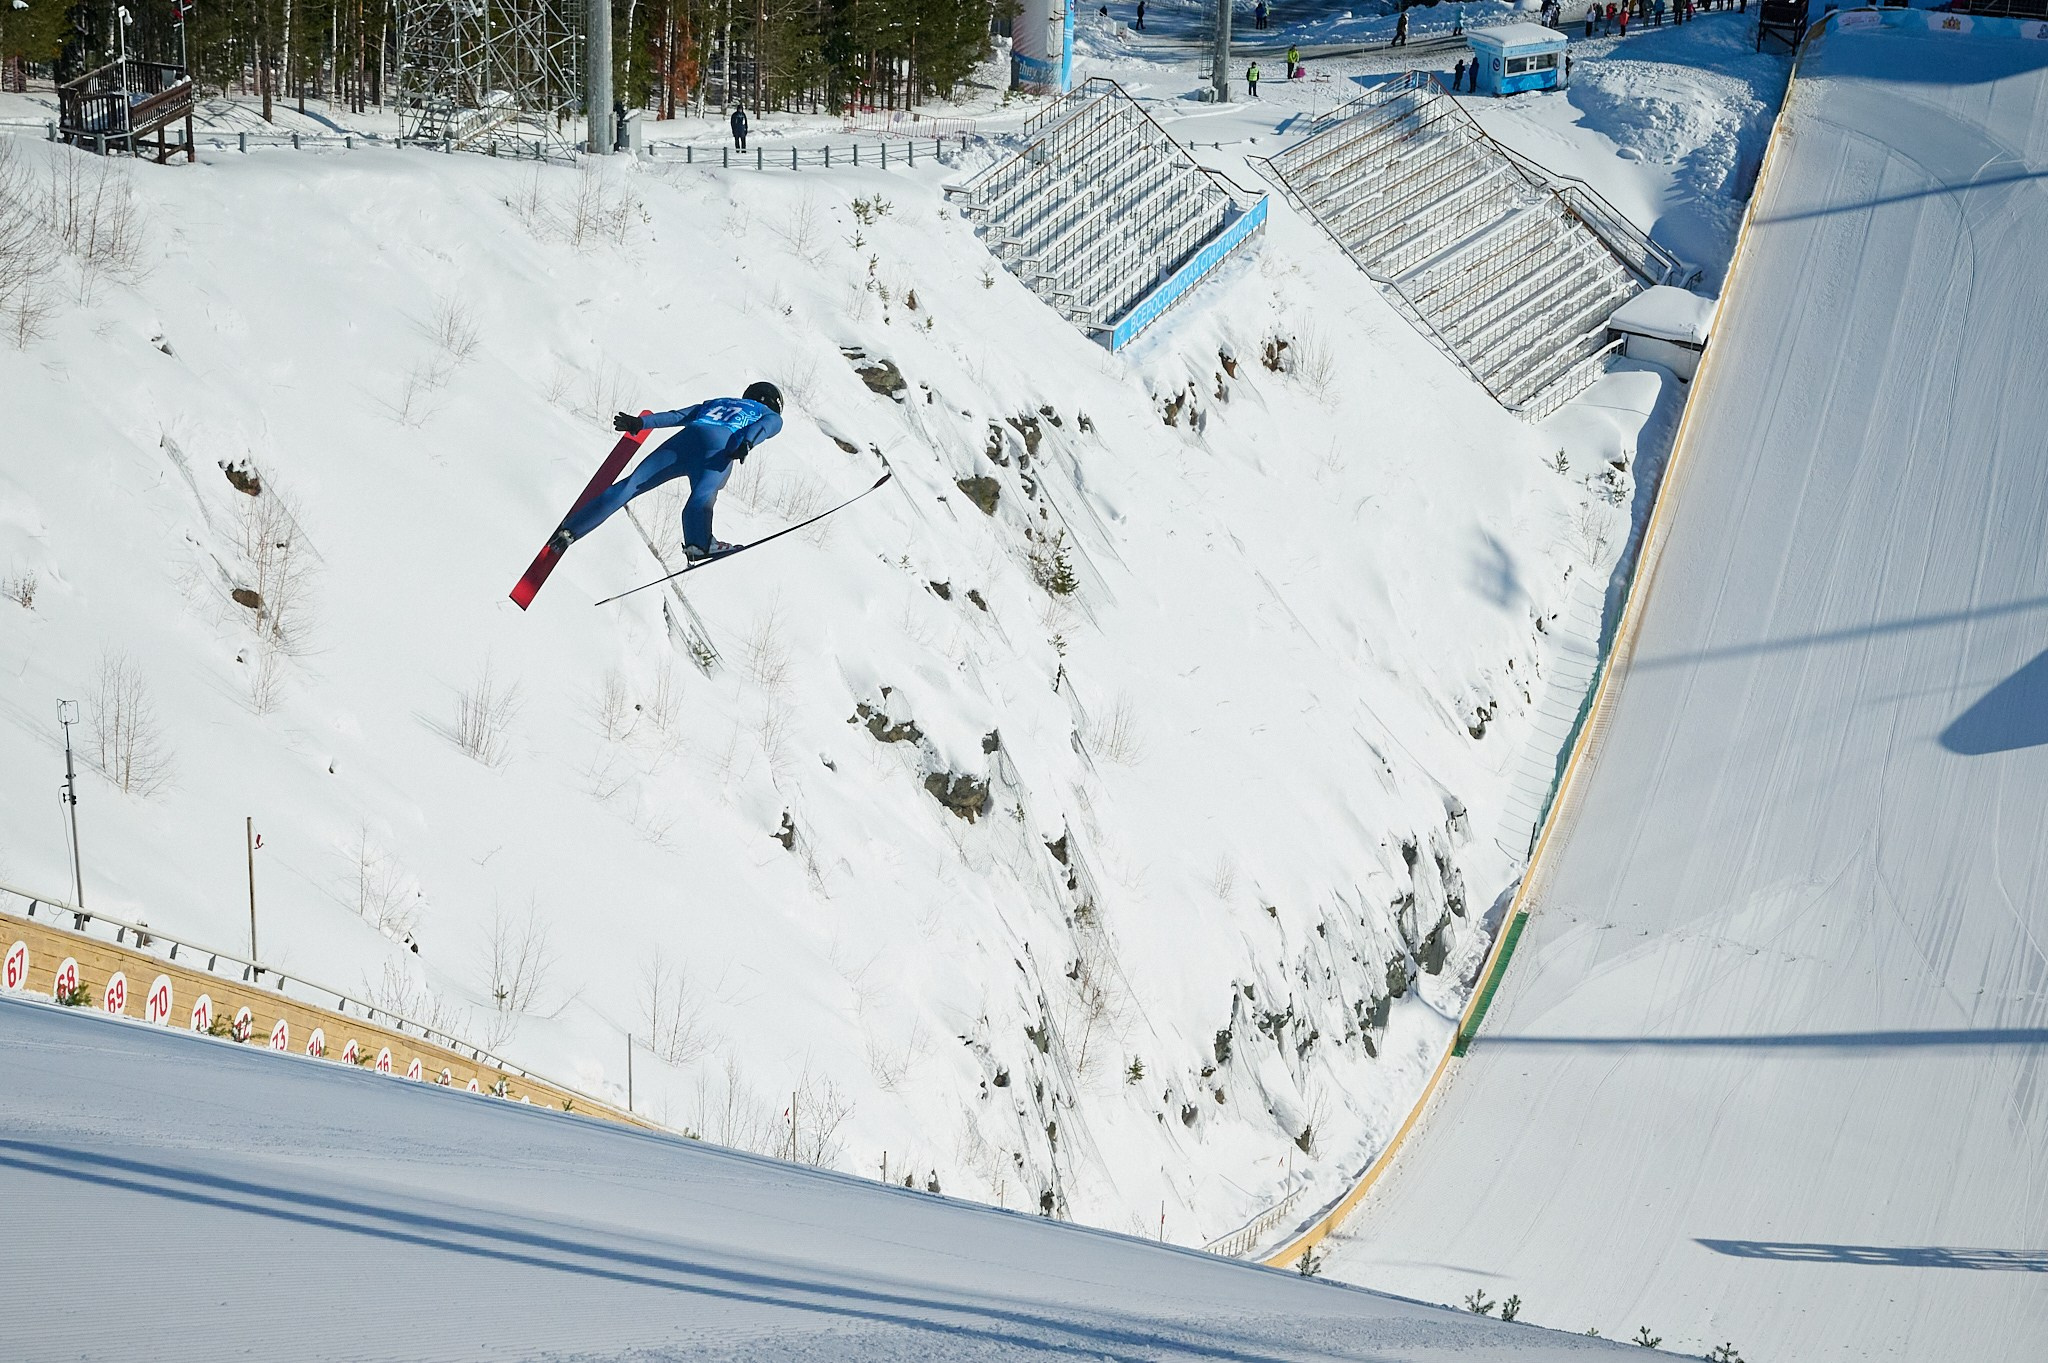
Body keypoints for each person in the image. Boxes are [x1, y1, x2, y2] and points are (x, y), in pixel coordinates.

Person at [548, 384, 785, 561]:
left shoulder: (720, 401)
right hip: (720, 445)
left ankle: (572, 528)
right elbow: (762, 427)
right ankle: (698, 544)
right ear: (775, 404)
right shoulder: (770, 414)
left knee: (633, 484)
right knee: (702, 495)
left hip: (689, 436)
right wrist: (747, 443)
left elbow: (678, 416)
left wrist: (640, 423)